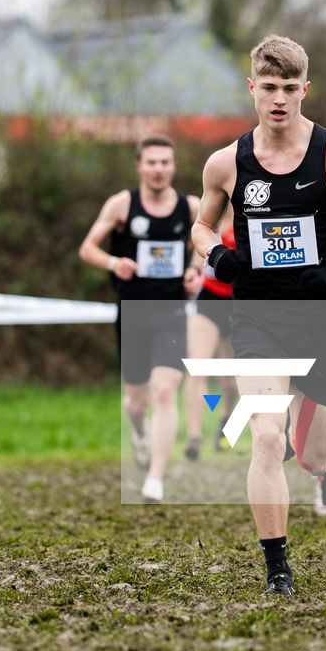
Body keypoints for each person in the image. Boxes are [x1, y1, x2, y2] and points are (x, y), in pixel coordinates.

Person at [190, 35, 326, 595]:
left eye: (289, 89)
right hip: (258, 315)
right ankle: (276, 566)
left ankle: (295, 446)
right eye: (269, 87)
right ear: (252, 87)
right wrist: (218, 254)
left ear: (305, 90)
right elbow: (201, 225)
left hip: (324, 317)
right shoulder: (225, 162)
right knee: (264, 433)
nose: (278, 99)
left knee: (314, 457)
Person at [78, 136, 202, 501]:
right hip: (132, 312)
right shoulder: (122, 205)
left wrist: (195, 267)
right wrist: (115, 263)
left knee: (165, 392)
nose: (159, 169)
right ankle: (138, 431)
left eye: (165, 162)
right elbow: (87, 248)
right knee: (137, 401)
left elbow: (212, 239)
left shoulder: (190, 207)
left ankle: (155, 478)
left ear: (174, 166)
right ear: (139, 166)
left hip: (172, 314)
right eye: (152, 162)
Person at [184, 221, 239, 458]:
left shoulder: (252, 210)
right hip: (209, 299)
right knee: (197, 368)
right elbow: (200, 247)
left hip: (238, 302)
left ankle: (226, 418)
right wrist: (193, 271)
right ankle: (194, 437)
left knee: (231, 380)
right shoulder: (209, 214)